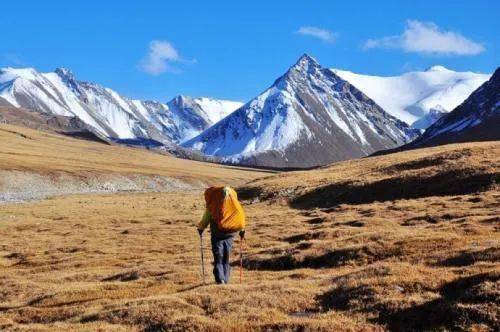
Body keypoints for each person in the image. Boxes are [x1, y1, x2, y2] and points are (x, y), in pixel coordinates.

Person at [197, 186, 245, 284]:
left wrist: (201, 229)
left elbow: (206, 218)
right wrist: (242, 231)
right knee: (226, 256)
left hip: (217, 234)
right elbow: (240, 216)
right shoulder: (234, 203)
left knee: (218, 256)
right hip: (231, 233)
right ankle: (225, 279)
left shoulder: (214, 204)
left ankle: (220, 279)